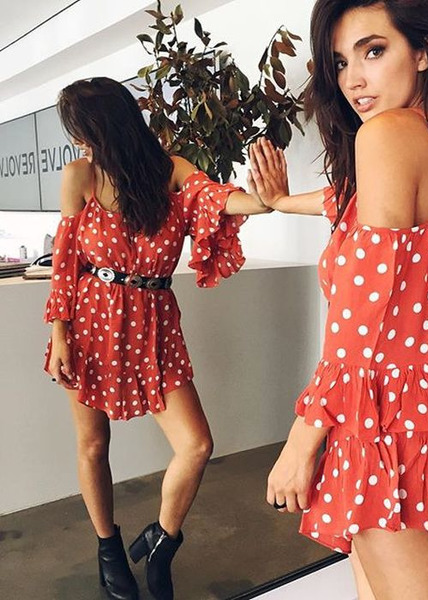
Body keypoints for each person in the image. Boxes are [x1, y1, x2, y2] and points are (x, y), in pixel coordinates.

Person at [248, 1, 428, 598]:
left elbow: (363, 308)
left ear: (423, 52)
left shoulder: (386, 135)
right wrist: (282, 202)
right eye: (341, 62)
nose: (354, 79)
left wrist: (303, 438)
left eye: (374, 51)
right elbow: (354, 201)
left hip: (388, 402)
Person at [44, 77, 275, 600]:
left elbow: (218, 199)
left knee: (196, 444)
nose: (77, 141)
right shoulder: (80, 175)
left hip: (154, 326)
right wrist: (59, 334)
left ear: (106, 125)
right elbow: (65, 263)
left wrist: (266, 200)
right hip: (90, 323)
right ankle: (108, 549)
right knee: (93, 444)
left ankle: (163, 541)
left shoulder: (171, 171)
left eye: (81, 130)